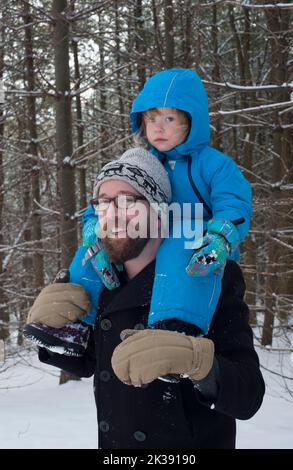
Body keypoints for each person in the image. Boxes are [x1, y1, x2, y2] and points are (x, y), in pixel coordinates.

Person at [31, 154, 265, 449]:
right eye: (103, 202)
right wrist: (54, 329)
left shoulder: (208, 275)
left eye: (127, 201)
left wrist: (199, 363)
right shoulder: (102, 281)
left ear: (157, 211)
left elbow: (249, 395)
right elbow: (86, 364)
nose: (112, 214)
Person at [25, 68, 252, 366]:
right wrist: (94, 226)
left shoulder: (213, 165)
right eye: (150, 119)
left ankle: (174, 328)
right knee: (91, 250)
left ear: (191, 120)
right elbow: (109, 196)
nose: (158, 128)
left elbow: (234, 202)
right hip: (144, 237)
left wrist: (221, 237)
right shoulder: (142, 161)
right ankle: (72, 324)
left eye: (168, 119)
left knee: (177, 248)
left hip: (195, 240)